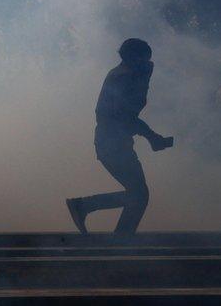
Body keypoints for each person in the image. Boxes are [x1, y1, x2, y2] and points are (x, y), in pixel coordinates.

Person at [67, 38, 172, 235]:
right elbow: (124, 116)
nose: (148, 64)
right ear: (134, 58)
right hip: (112, 142)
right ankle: (114, 232)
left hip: (115, 141)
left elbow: (127, 115)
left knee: (138, 195)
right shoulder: (124, 78)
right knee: (139, 195)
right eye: (144, 60)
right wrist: (151, 137)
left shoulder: (125, 74)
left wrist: (151, 136)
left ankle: (94, 214)